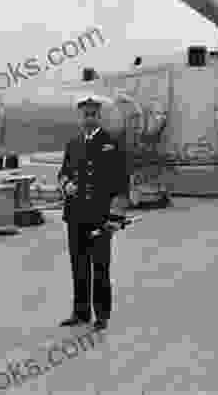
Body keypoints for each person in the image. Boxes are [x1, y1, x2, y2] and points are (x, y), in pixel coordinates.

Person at [57, 95, 130, 331]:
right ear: (80, 118)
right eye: (85, 115)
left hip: (100, 216)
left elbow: (121, 183)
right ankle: (80, 312)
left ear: (99, 117)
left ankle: (102, 315)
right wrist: (65, 184)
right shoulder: (73, 143)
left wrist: (115, 217)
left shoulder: (111, 144)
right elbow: (63, 173)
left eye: (93, 114)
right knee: (78, 265)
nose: (89, 119)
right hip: (75, 215)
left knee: (100, 267)